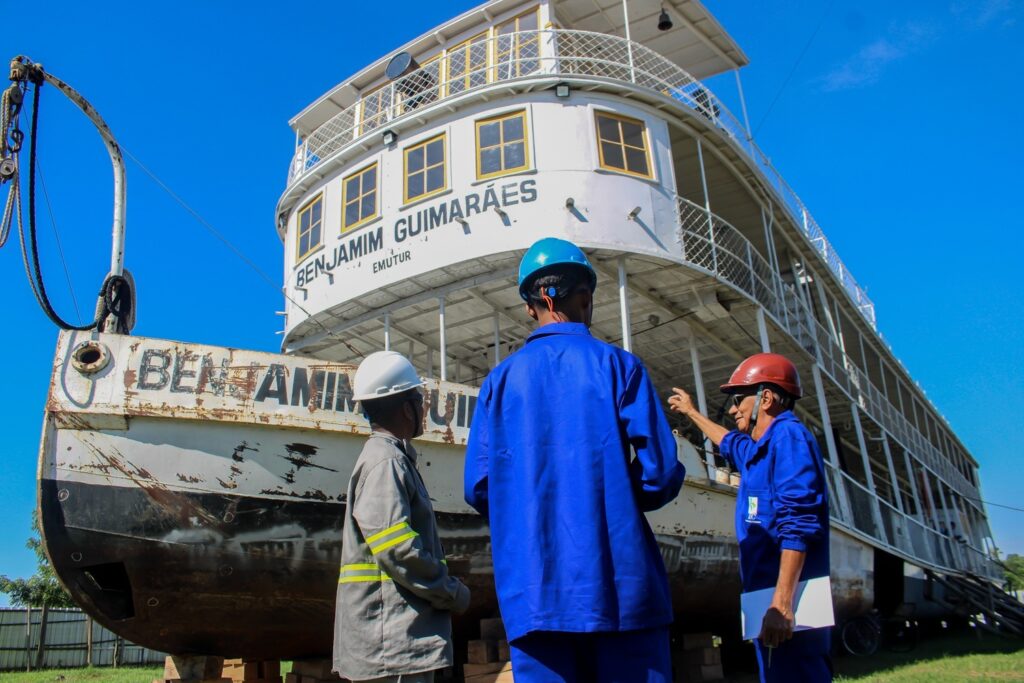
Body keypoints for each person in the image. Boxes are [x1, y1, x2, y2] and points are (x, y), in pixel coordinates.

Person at [464, 237, 685, 683]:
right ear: (585, 297)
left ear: (531, 307)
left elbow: (479, 487)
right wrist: (617, 500)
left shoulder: (498, 383)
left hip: (535, 595)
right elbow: (660, 472)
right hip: (622, 590)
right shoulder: (621, 366)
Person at [668, 352, 832, 682]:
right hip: (765, 601)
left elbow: (797, 525)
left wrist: (782, 604)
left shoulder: (788, 438)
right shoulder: (761, 449)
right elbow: (728, 443)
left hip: (788, 609)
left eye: (739, 399)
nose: (732, 409)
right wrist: (690, 412)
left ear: (766, 398)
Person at [334, 351, 470, 683]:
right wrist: (451, 591)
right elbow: (398, 549)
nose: (425, 408)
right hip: (392, 649)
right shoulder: (386, 463)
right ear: (407, 408)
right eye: (420, 399)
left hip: (391, 644)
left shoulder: (390, 458)